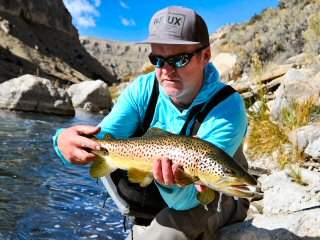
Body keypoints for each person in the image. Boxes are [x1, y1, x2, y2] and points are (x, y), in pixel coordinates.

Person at [53, 6, 249, 240]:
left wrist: (171, 181)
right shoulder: (143, 89)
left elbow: (186, 201)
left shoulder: (228, 107)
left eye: (179, 59)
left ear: (205, 56)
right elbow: (102, 138)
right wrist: (63, 140)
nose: (166, 70)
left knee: (166, 228)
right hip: (161, 193)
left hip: (217, 194)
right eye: (158, 59)